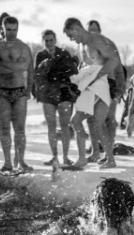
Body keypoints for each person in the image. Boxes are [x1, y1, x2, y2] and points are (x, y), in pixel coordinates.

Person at [64, 17, 122, 169]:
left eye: (71, 35)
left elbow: (114, 60)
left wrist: (97, 77)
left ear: (76, 28)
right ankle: (83, 158)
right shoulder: (81, 45)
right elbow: (86, 67)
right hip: (90, 87)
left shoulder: (97, 40)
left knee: (98, 123)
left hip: (104, 84)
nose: (71, 39)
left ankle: (110, 159)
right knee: (76, 121)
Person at [34, 29, 78, 166]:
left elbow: (72, 72)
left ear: (55, 40)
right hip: (48, 93)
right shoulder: (40, 55)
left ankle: (65, 157)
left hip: (64, 92)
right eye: (46, 40)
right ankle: (55, 157)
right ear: (43, 41)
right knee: (51, 126)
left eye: (51, 40)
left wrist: (56, 72)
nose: (49, 43)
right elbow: (37, 75)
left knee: (65, 126)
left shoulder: (64, 53)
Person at [0, 16, 34, 172]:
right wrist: (16, 66)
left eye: (15, 30)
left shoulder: (24, 47)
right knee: (4, 128)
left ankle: (21, 161)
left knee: (20, 129)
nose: (12, 33)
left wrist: (28, 89)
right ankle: (7, 162)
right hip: (2, 92)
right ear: (3, 29)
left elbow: (30, 68)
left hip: (19, 91)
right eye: (9, 30)